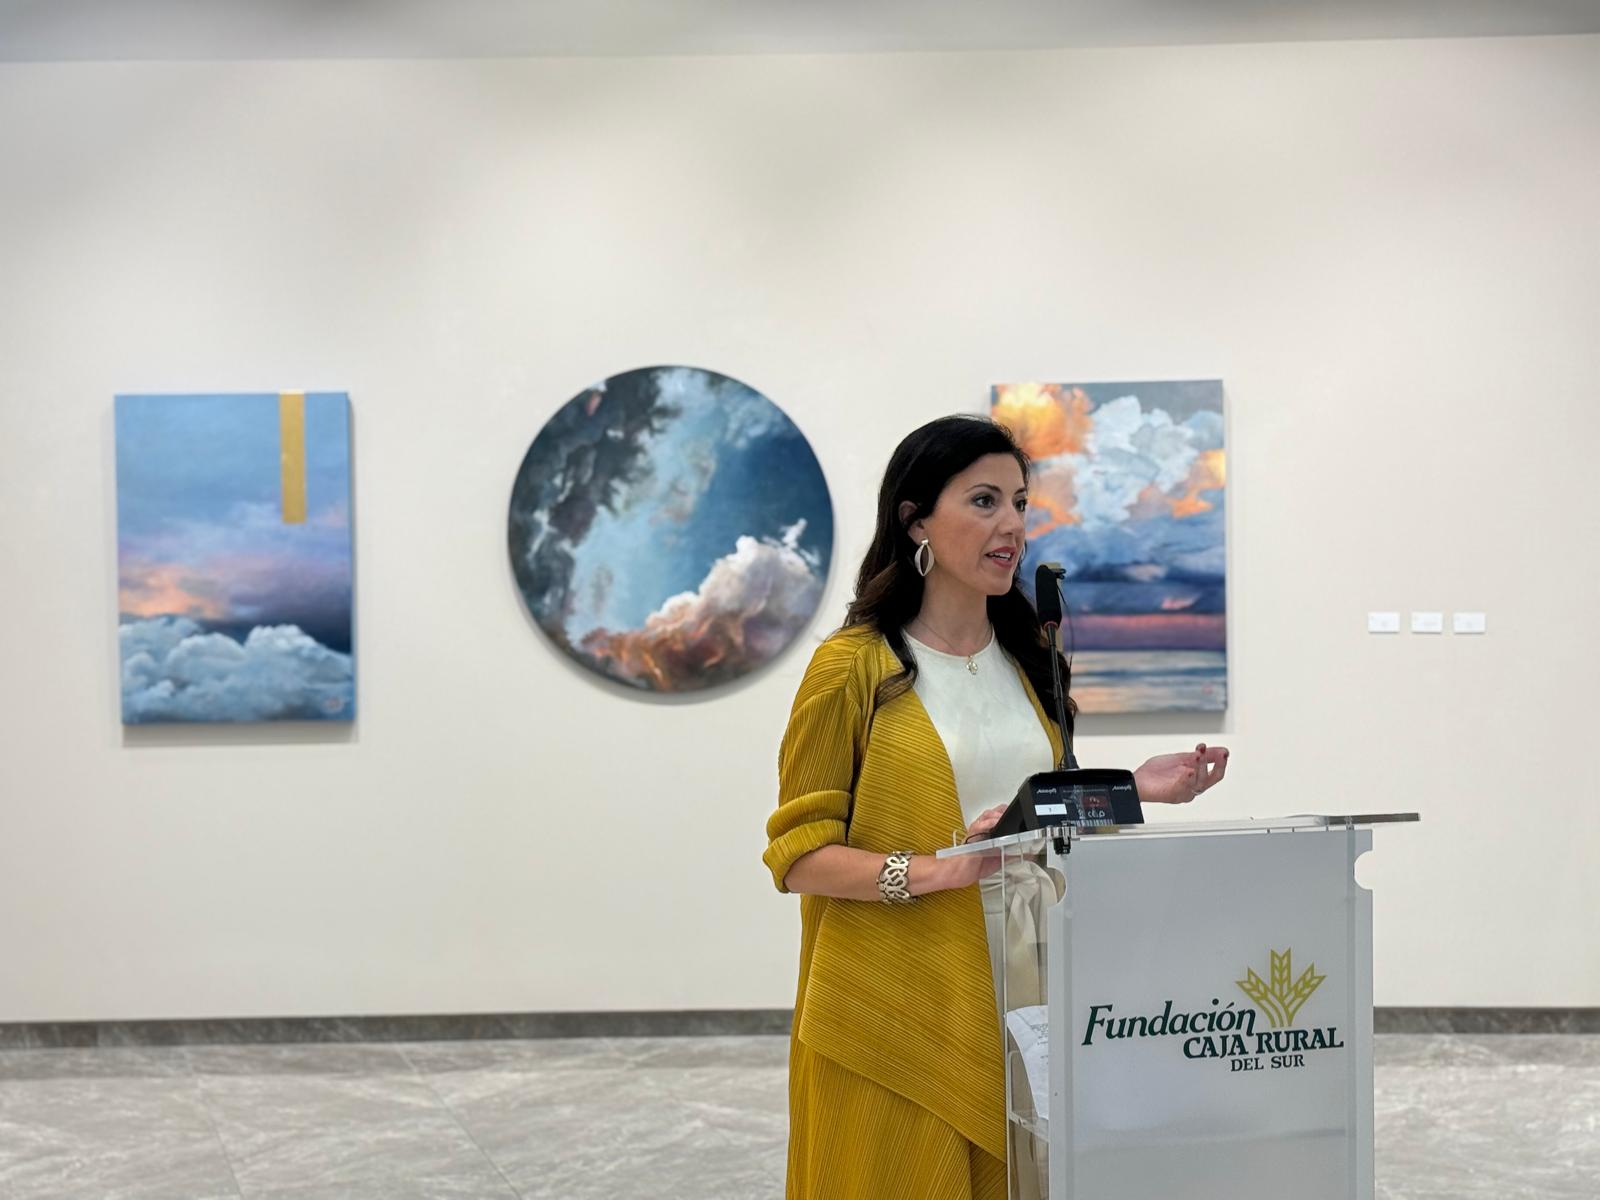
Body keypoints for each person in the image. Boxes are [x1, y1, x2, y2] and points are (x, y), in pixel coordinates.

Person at [762, 415, 1229, 1200]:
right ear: (916, 519)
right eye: (983, 501)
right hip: (900, 1006)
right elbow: (799, 856)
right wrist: (939, 871)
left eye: (1018, 502)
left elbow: (1030, 812)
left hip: (1029, 985)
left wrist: (1139, 786)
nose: (1011, 524)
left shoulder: (1028, 659)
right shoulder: (850, 668)